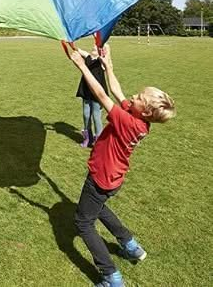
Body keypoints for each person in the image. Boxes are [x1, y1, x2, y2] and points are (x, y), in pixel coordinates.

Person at [70, 46, 176, 287]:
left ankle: (111, 276)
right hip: (114, 178)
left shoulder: (126, 121)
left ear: (146, 110)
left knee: (83, 222)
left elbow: (102, 95)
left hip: (101, 176)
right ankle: (130, 245)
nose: (134, 97)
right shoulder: (140, 121)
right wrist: (110, 65)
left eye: (139, 98)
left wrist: (82, 66)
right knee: (99, 207)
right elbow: (116, 91)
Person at [75, 44, 108, 147]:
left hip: (97, 92)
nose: (94, 46)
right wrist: (69, 40)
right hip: (86, 90)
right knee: (86, 115)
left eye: (97, 46)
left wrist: (103, 53)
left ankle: (99, 140)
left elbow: (105, 59)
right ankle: (87, 138)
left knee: (96, 116)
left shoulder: (101, 61)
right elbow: (77, 49)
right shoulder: (88, 56)